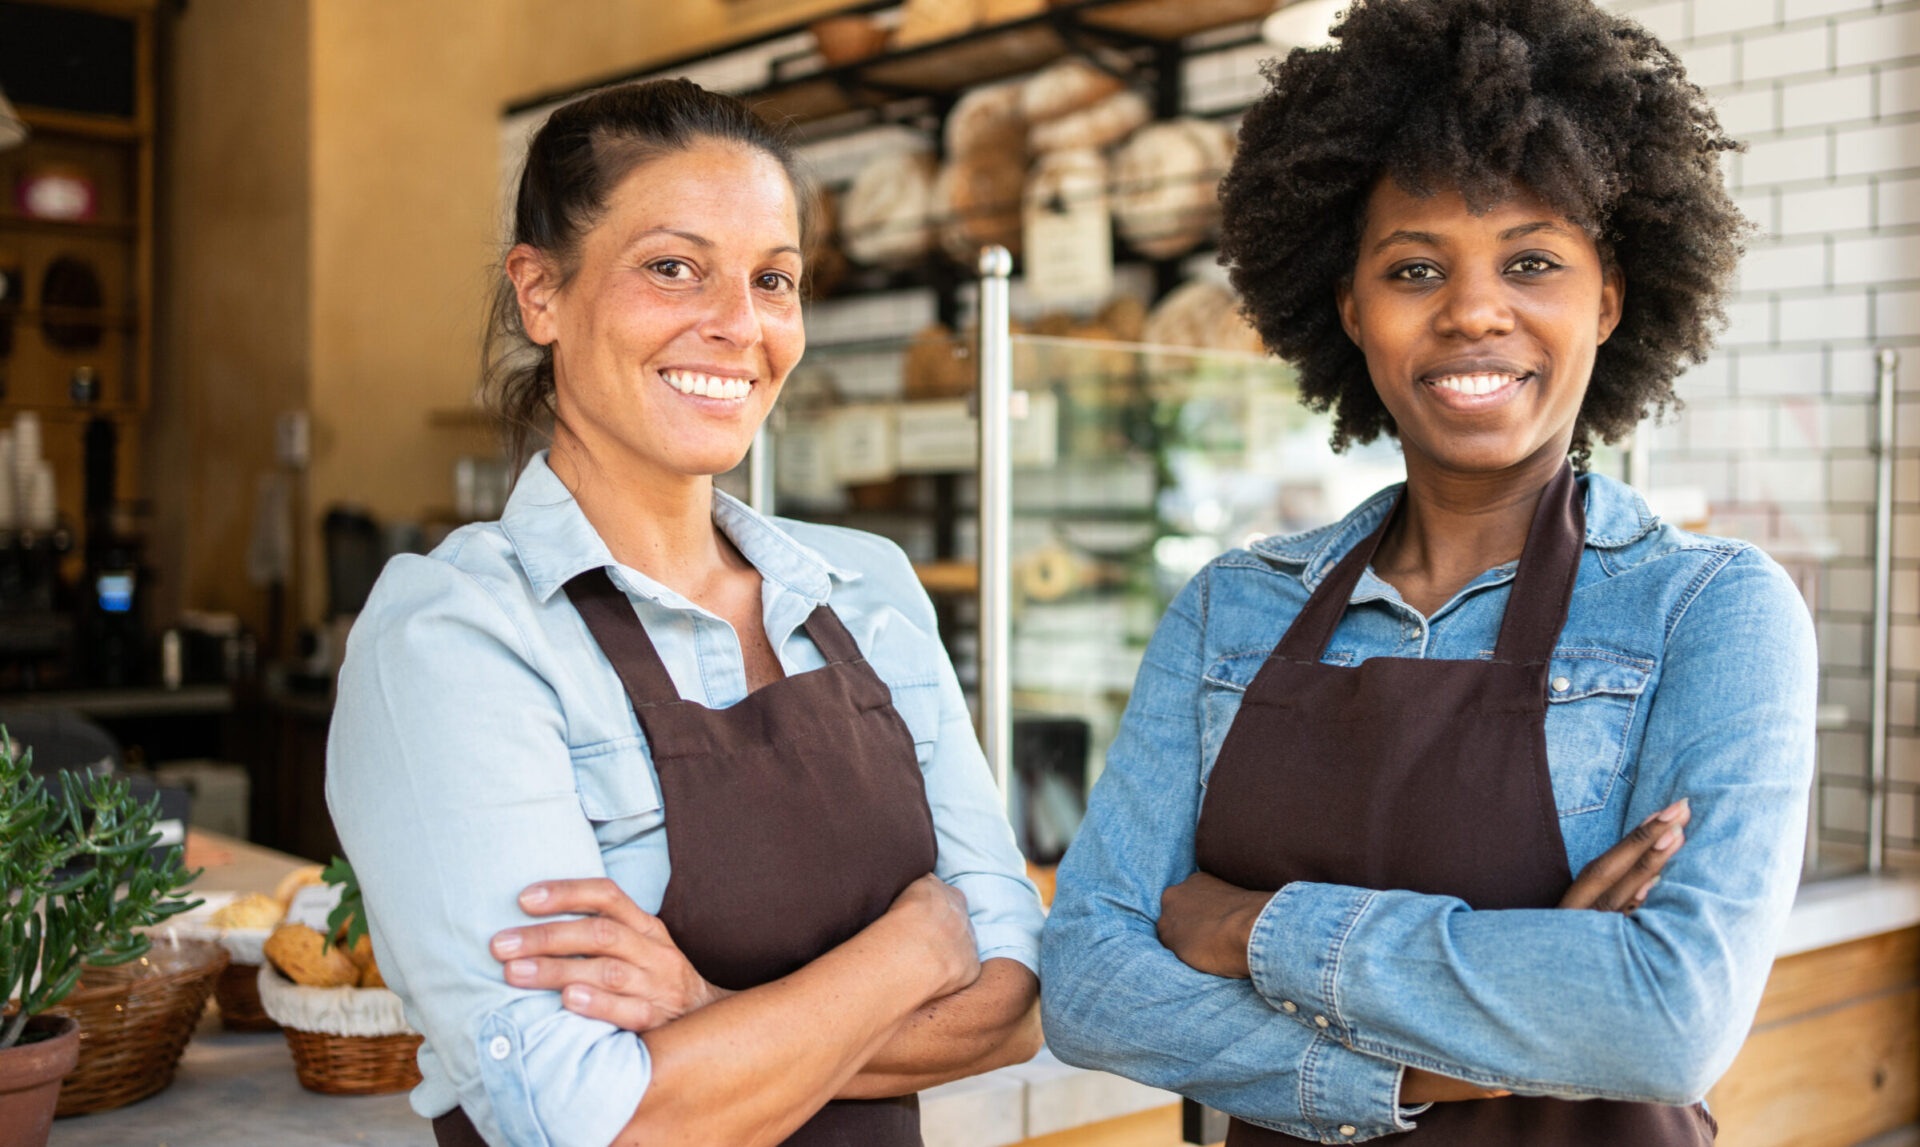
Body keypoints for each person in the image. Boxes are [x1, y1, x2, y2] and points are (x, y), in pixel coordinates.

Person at [1039, 1, 1814, 1143]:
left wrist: (1253, 932)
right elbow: (1092, 985)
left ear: (1609, 296)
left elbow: (1666, 1017)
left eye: (1533, 261)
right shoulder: (1231, 610)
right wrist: (1444, 1058)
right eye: (1414, 268)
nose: (1473, 311)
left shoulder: (1705, 608)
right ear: (1349, 307)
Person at [326, 79, 1043, 1147]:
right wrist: (915, 947)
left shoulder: (868, 591)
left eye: (774, 279)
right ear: (541, 294)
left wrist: (708, 1017)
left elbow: (1017, 1004)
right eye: (674, 268)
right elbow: (586, 1120)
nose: (738, 325)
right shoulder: (457, 635)